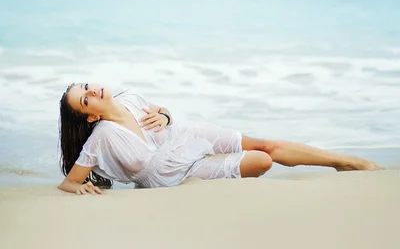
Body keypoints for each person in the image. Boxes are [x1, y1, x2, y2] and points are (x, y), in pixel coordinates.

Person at [58, 82, 381, 195]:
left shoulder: (131, 97)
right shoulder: (101, 137)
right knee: (262, 162)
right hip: (170, 174)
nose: (92, 91)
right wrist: (78, 187)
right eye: (85, 99)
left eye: (87, 86)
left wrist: (166, 116)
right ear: (91, 116)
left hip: (185, 136)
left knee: (263, 145)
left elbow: (164, 112)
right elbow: (70, 181)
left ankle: (344, 161)